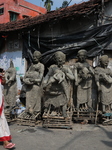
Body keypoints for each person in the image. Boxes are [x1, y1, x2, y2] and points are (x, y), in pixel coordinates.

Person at [0, 70, 15, 149]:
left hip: (0, 101)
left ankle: (5, 140)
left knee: (2, 119)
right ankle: (5, 141)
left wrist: (3, 76)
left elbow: (3, 82)